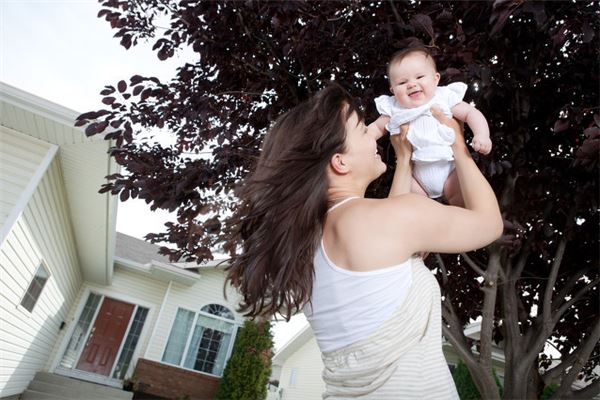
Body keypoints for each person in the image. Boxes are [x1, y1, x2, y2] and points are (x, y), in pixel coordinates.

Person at [225, 83, 503, 399]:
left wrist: (405, 161)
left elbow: (392, 252)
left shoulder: (310, 239)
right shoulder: (382, 220)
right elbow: (488, 224)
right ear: (340, 162)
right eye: (362, 131)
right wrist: (458, 145)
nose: (374, 135)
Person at [370, 47, 492, 206]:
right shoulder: (395, 108)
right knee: (409, 207)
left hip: (450, 170)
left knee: (464, 204)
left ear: (435, 79)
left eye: (420, 76)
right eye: (402, 82)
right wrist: (360, 142)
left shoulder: (443, 97)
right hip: (416, 176)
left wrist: (482, 134)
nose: (412, 84)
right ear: (393, 91)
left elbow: (471, 113)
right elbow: (375, 129)